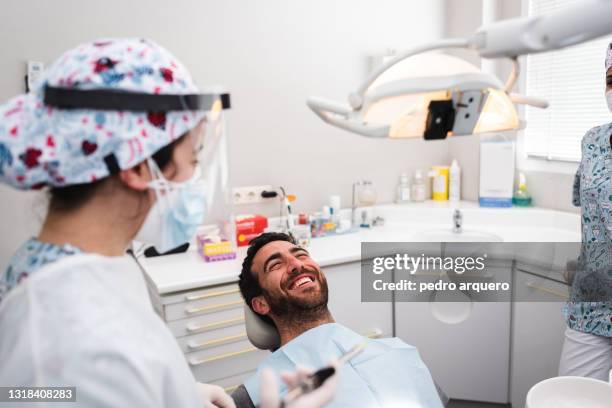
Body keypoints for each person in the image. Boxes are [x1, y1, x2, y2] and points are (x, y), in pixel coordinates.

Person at [0, 38, 335, 408]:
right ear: (138, 167)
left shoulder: (70, 266)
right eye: (193, 158)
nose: (195, 174)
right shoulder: (70, 327)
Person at [234, 232, 447, 408]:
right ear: (261, 304)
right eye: (275, 265)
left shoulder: (399, 352)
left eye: (300, 254)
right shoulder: (254, 397)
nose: (296, 264)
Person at [559, 42, 612, 381]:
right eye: (611, 78)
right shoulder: (592, 140)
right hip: (592, 302)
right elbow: (589, 210)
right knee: (568, 394)